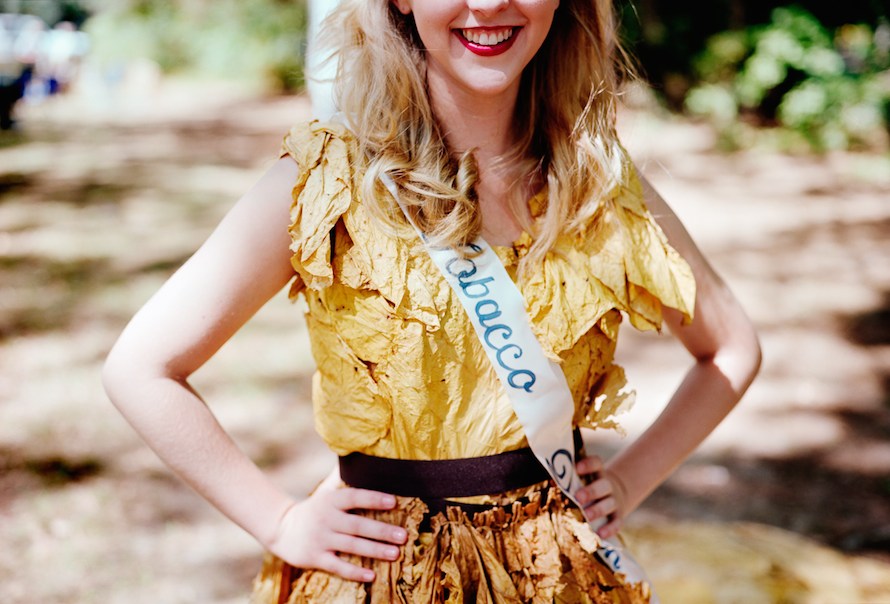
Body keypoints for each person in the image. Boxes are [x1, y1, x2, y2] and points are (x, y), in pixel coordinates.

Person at [102, 0, 761, 602]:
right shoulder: (328, 182)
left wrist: (627, 481)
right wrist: (277, 519)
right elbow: (141, 368)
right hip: (382, 577)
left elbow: (731, 349)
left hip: (559, 578)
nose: (489, 4)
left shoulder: (596, 184)